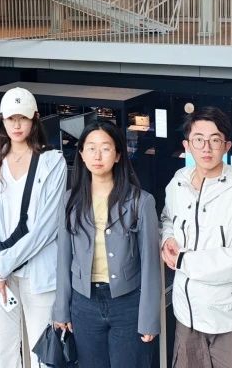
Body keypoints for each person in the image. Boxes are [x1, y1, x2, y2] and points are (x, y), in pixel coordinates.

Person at [160, 106, 232, 368]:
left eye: (215, 140)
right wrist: (167, 239)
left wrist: (184, 261)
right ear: (187, 145)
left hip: (231, 319)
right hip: (187, 316)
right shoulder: (178, 184)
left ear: (226, 146)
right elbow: (167, 218)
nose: (206, 148)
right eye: (198, 140)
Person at [52, 120, 160, 368]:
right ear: (81, 154)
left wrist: (149, 318)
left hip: (127, 304)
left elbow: (150, 265)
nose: (97, 156)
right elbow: (63, 259)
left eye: (105, 148)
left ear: (118, 155)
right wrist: (61, 309)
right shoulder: (70, 200)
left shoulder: (141, 201)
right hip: (84, 303)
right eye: (91, 148)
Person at [0, 87, 66, 368]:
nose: (16, 125)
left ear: (34, 118)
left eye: (23, 118)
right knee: (3, 352)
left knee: (44, 354)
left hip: (38, 270)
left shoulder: (53, 162)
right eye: (11, 118)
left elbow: (47, 227)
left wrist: (4, 264)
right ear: (2, 120)